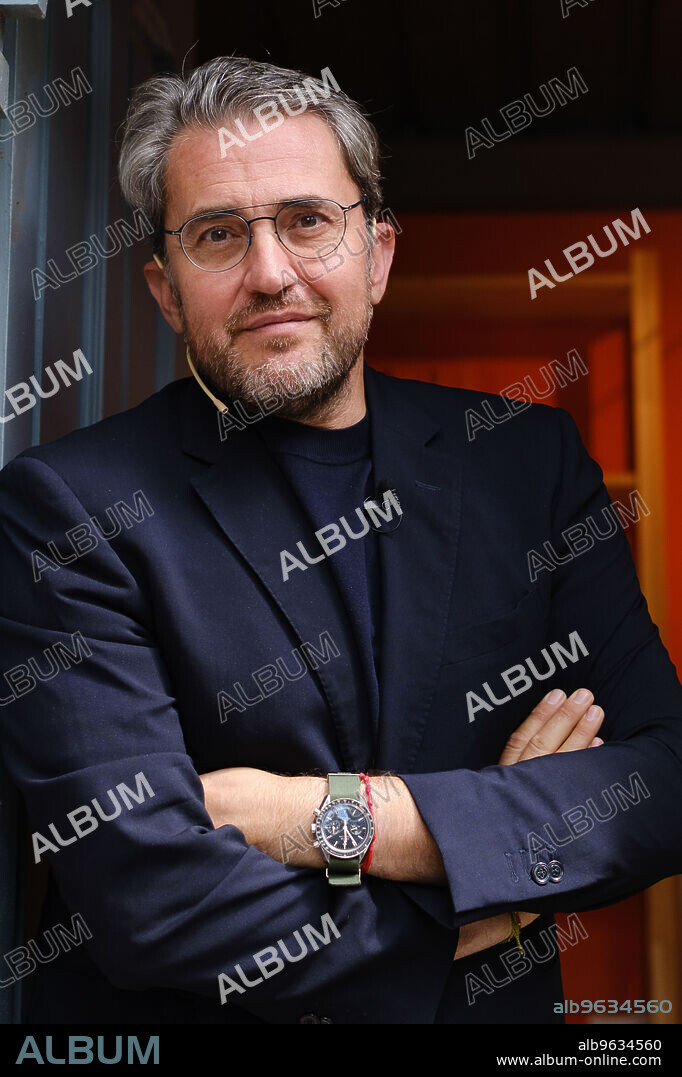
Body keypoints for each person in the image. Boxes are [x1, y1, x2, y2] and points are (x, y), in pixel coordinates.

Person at [0, 56, 680, 1025]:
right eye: (219, 235)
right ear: (163, 287)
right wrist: (502, 879)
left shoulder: (525, 463)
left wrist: (315, 819)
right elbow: (147, 897)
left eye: (308, 221)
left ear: (380, 252)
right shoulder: (70, 509)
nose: (270, 272)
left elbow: (657, 781)